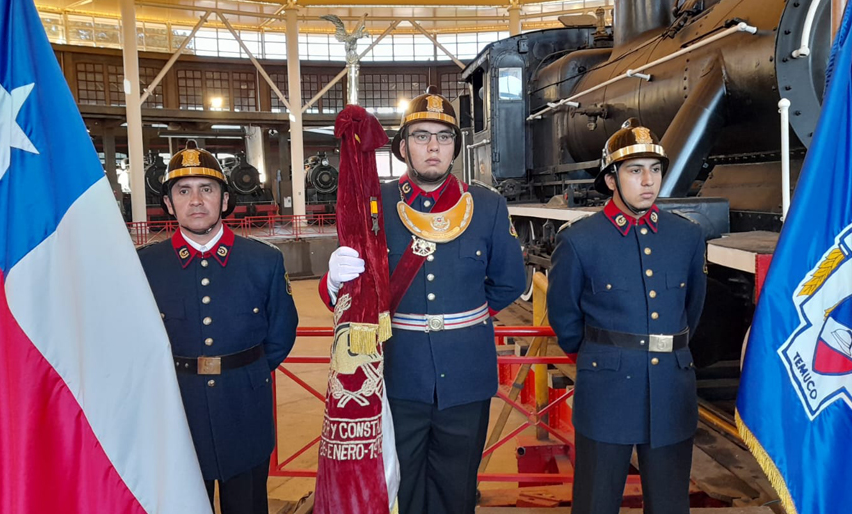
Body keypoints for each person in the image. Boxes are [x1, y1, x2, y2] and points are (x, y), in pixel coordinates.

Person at [320, 87, 526, 514]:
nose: (433, 146)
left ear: (455, 147)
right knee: (404, 487)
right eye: (421, 136)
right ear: (402, 148)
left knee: (457, 489)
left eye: (443, 137)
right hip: (400, 374)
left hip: (467, 375)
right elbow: (352, 292)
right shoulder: (376, 203)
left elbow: (509, 282)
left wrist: (461, 319)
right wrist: (334, 282)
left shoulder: (486, 205)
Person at [547, 119, 707, 514]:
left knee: (670, 504)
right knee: (596, 503)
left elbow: (693, 311)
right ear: (611, 179)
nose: (648, 180)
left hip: (671, 390)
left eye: (655, 170)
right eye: (635, 171)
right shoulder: (580, 240)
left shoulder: (686, 237)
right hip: (607, 392)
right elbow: (565, 320)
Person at [139, 141, 298, 514]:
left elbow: (280, 333)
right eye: (183, 191)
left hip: (245, 411)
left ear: (225, 200)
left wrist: (245, 373)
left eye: (206, 189)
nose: (196, 200)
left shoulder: (264, 261)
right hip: (177, 416)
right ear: (168, 204)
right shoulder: (146, 266)